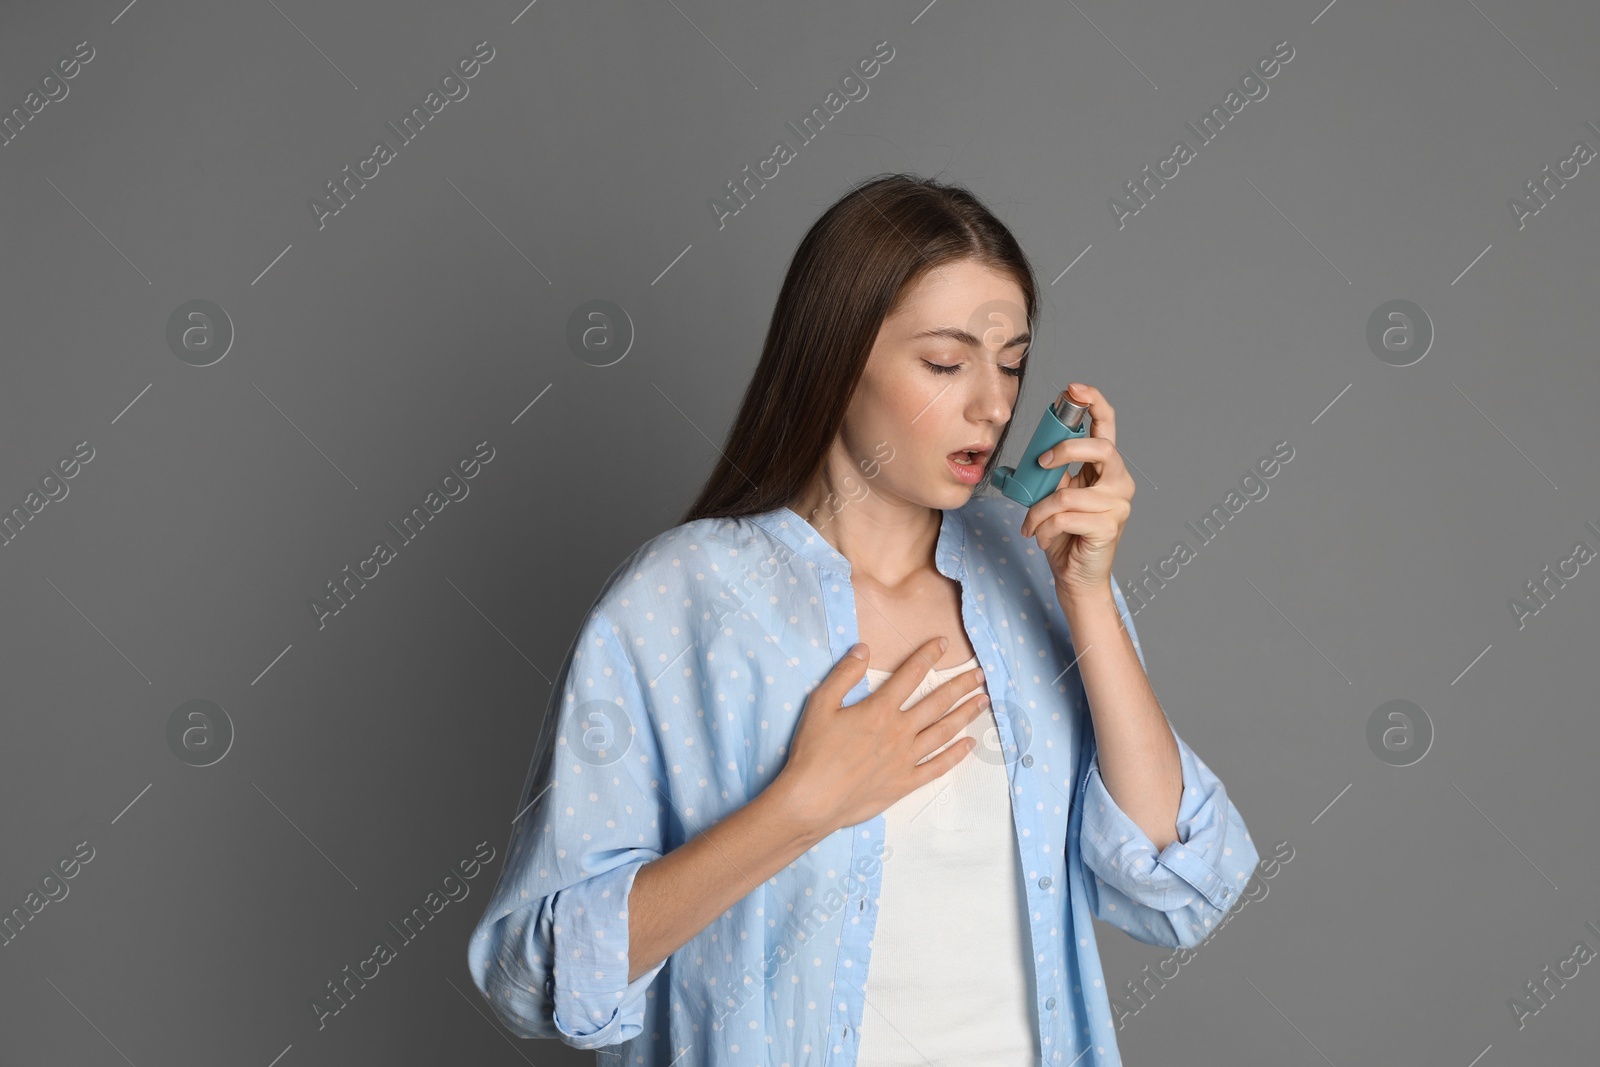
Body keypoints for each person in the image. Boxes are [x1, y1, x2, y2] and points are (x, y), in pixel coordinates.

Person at [466, 173, 1259, 1067]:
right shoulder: (678, 603)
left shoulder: (1038, 583)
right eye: (946, 362)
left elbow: (1177, 883)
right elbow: (542, 977)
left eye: (1010, 363)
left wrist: (1085, 595)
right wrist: (800, 807)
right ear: (836, 360)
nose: (993, 405)